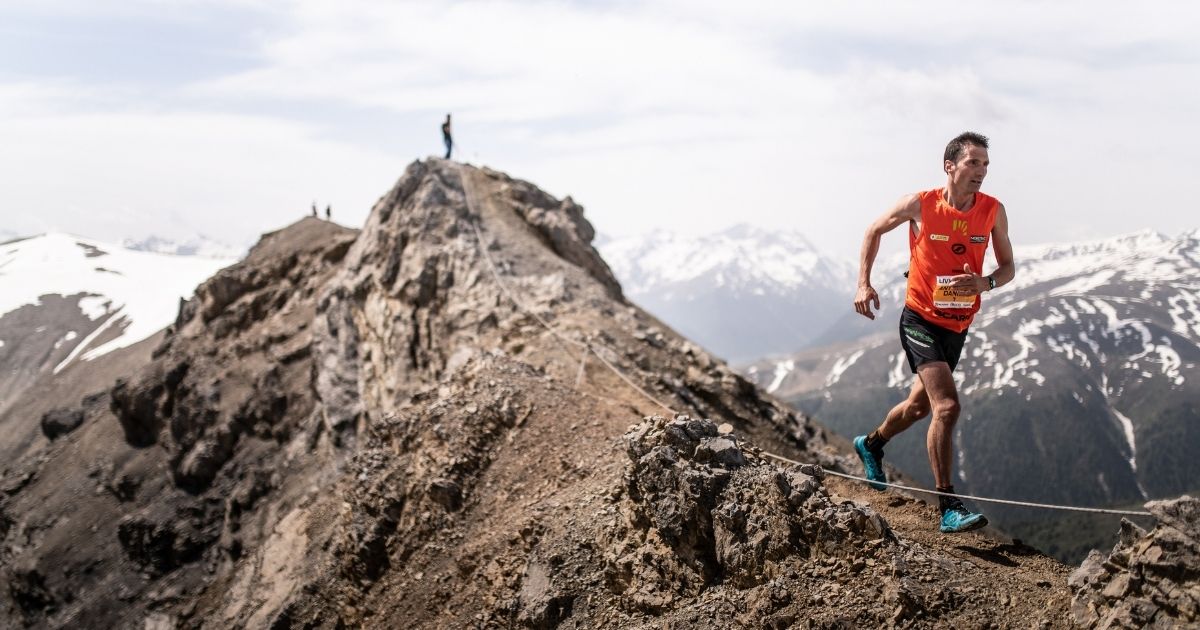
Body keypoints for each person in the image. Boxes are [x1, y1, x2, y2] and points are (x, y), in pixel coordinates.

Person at [851, 131, 1015, 534]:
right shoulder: (920, 204)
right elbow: (873, 230)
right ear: (950, 166)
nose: (981, 171)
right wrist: (863, 284)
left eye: (985, 164)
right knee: (947, 406)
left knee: (918, 408)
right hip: (920, 319)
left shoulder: (993, 210)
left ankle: (871, 444)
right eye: (973, 162)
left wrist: (986, 283)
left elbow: (1008, 267)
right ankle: (948, 506)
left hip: (958, 324)